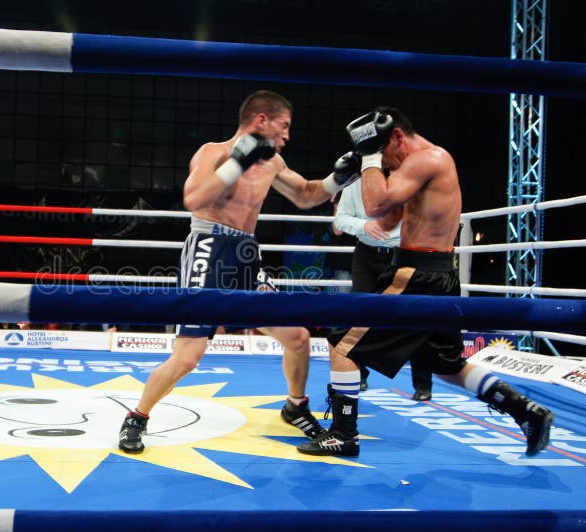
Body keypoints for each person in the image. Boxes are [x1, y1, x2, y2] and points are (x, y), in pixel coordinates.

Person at [298, 106, 554, 458]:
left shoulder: (424, 159)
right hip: (439, 275)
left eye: (384, 152)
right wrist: (366, 170)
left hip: (415, 275)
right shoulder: (418, 168)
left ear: (398, 137)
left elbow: (374, 206)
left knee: (342, 345)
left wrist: (369, 157)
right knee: (447, 365)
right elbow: (386, 223)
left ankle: (344, 433)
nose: (384, 163)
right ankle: (525, 411)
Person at [118, 90, 361, 453]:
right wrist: (237, 162)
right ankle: (136, 417)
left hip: (247, 254)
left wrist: (337, 179)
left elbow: (306, 195)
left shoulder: (274, 163)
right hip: (208, 249)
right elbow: (194, 198)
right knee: (188, 355)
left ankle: (295, 406)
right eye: (284, 125)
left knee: (296, 337)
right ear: (261, 119)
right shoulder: (213, 152)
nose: (287, 135)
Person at [333, 179, 434, 400]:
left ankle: (423, 383)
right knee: (360, 315)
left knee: (416, 314)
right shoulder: (356, 183)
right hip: (366, 255)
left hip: (404, 253)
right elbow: (339, 220)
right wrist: (364, 225)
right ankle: (358, 374)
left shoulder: (408, 178)